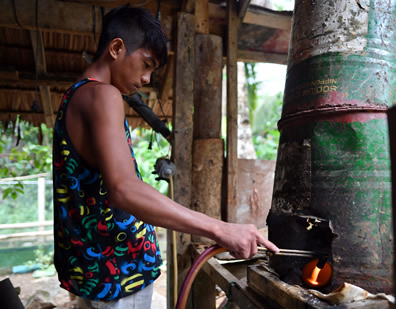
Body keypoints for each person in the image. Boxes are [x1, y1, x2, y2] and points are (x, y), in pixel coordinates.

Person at [52, 5, 278, 308]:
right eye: (145, 64)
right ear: (117, 48)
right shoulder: (102, 95)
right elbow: (124, 189)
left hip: (99, 276)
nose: (146, 78)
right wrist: (220, 228)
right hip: (117, 277)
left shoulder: (73, 98)